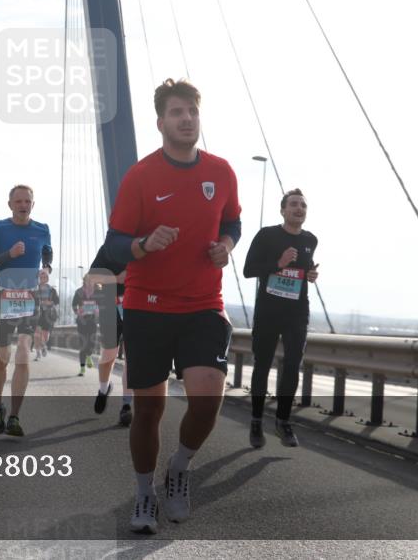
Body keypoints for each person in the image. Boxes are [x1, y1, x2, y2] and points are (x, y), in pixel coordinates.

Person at [103, 78, 241, 533]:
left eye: (192, 112)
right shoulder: (140, 176)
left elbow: (233, 222)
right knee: (149, 410)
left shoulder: (222, 171)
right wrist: (144, 244)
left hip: (203, 304)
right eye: (177, 113)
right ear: (160, 122)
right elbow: (116, 244)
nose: (186, 119)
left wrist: (225, 245)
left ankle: (178, 469)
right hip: (148, 306)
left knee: (206, 401)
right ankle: (144, 494)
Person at [243, 189, 319, 448]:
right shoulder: (267, 235)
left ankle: (283, 422)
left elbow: (304, 268)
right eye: (294, 204)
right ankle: (256, 421)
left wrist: (310, 273)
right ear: (283, 210)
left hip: (297, 312)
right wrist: (278, 262)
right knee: (262, 365)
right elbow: (248, 270)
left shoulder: (311, 240)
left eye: (303, 206)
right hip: (268, 311)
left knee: (292, 364)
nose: (299, 209)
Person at [0, 185, 53, 437]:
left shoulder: (42, 230)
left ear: (33, 204)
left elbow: (48, 258)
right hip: (3, 297)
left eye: (27, 201)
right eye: (18, 201)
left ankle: (14, 416)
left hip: (29, 298)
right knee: (3, 358)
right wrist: (9, 254)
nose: (23, 205)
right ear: (10, 204)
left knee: (23, 353)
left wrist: (47, 271)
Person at [88, 245, 134, 426]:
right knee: (108, 356)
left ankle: (126, 406)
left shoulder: (148, 244)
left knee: (132, 360)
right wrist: (116, 278)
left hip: (136, 306)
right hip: (111, 306)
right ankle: (103, 389)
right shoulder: (110, 247)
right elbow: (93, 277)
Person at [72, 275, 100, 376]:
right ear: (84, 281)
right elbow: (74, 304)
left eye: (91, 280)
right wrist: (77, 311)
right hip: (82, 321)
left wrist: (98, 310)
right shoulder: (79, 292)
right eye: (87, 280)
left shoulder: (98, 292)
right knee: (83, 344)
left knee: (92, 342)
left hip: (93, 321)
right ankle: (82, 368)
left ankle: (89, 355)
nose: (89, 282)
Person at [33, 269, 59, 361]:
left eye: (45, 277)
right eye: (41, 277)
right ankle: (38, 354)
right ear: (39, 278)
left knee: (45, 336)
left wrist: (49, 302)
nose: (43, 278)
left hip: (48, 314)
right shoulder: (35, 288)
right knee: (36, 334)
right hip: (37, 313)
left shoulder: (52, 290)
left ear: (47, 278)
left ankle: (43, 345)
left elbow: (57, 301)